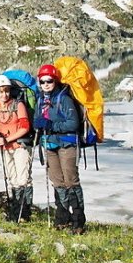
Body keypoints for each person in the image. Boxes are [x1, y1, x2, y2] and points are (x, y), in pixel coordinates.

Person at [31, 64, 87, 234]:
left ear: (55, 81)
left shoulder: (64, 99)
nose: (46, 84)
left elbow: (73, 123)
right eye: (42, 81)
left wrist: (52, 125)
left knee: (71, 180)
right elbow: (36, 121)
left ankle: (78, 220)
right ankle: (62, 217)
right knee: (57, 181)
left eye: (49, 80)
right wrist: (38, 125)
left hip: (66, 144)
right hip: (49, 144)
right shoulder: (41, 100)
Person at [0, 74, 34, 222]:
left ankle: (24, 212)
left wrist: (6, 139)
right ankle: (16, 209)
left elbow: (25, 127)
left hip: (20, 146)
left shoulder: (18, 105)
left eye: (6, 91)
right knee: (12, 178)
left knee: (23, 178)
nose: (4, 94)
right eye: (1, 91)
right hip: (5, 147)